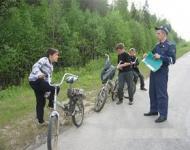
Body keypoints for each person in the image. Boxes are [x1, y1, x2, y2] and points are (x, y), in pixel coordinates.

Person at [144, 25, 176, 123]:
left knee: (161, 93)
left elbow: (172, 60)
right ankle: (154, 110)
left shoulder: (170, 45)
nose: (156, 35)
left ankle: (163, 115)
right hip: (154, 70)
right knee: (152, 91)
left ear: (164, 34)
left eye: (158, 33)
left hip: (162, 72)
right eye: (157, 33)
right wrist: (147, 55)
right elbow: (153, 55)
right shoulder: (157, 45)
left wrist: (161, 57)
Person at [29, 48, 60, 125]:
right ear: (50, 55)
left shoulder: (51, 66)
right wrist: (38, 74)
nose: (57, 56)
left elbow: (48, 79)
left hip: (38, 83)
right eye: (56, 55)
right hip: (36, 80)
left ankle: (40, 121)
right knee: (56, 88)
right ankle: (50, 105)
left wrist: (48, 88)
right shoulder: (44, 59)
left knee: (41, 101)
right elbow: (35, 66)